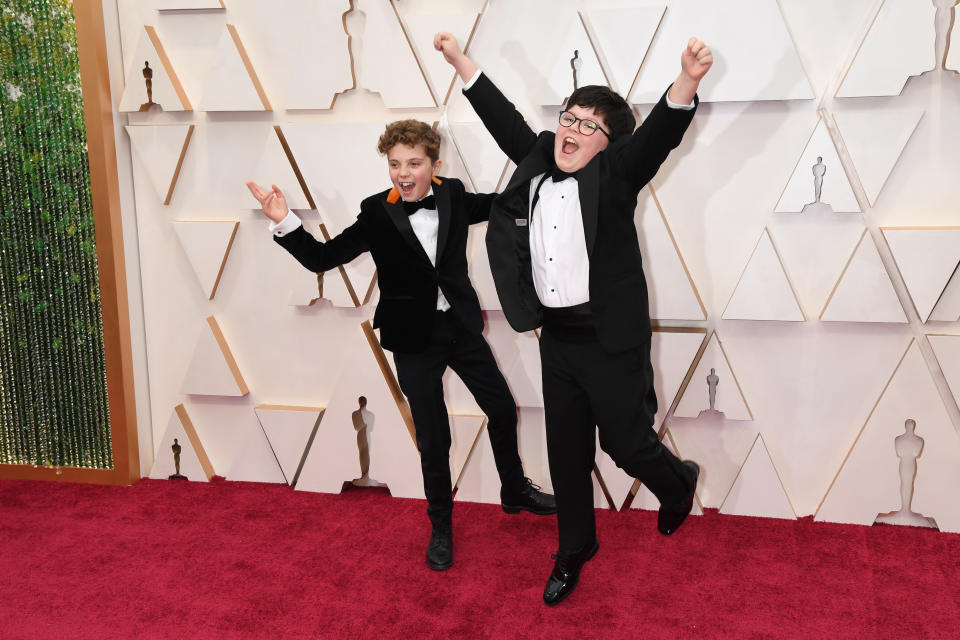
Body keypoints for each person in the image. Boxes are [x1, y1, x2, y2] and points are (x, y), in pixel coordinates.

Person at [435, 32, 712, 605]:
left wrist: (684, 82)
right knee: (565, 453)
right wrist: (463, 62)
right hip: (557, 338)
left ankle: (676, 482)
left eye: (590, 125)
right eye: (570, 116)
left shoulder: (616, 177)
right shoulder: (538, 155)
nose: (574, 129)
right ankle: (575, 546)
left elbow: (658, 137)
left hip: (610, 339)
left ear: (608, 145)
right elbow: (502, 118)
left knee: (627, 446)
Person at [246, 120, 555, 572]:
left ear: (435, 165)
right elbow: (322, 258)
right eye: (395, 164)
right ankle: (442, 528)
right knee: (435, 438)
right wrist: (284, 222)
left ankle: (514, 490)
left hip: (461, 329)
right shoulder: (376, 212)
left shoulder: (451, 195)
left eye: (413, 163)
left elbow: (502, 204)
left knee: (503, 409)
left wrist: (552, 178)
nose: (403, 173)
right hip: (413, 340)